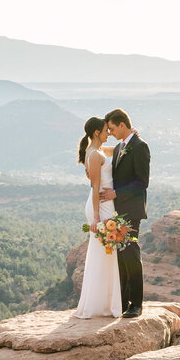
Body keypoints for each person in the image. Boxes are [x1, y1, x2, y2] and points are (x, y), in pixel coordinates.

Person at [74, 116, 122, 320]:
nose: (108, 134)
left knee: (107, 254)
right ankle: (100, 305)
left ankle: (105, 302)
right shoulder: (94, 155)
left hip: (105, 205)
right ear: (96, 133)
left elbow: (116, 150)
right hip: (100, 206)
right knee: (105, 254)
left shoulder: (98, 151)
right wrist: (95, 218)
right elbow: (95, 187)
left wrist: (129, 137)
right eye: (105, 130)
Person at [105, 108, 149, 318]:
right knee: (121, 256)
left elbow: (142, 183)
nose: (111, 132)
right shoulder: (117, 148)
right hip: (118, 211)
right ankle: (123, 301)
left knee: (131, 254)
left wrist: (116, 194)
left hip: (132, 210)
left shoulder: (140, 147)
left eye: (112, 128)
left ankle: (137, 304)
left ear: (122, 125)